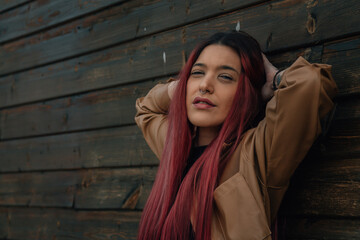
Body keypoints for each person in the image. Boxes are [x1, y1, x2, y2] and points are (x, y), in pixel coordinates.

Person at [134, 31, 337, 240]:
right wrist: (184, 85)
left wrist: (273, 78)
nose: (205, 85)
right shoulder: (175, 145)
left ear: (248, 91)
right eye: (198, 73)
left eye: (225, 76)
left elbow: (310, 83)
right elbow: (146, 109)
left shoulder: (257, 153)